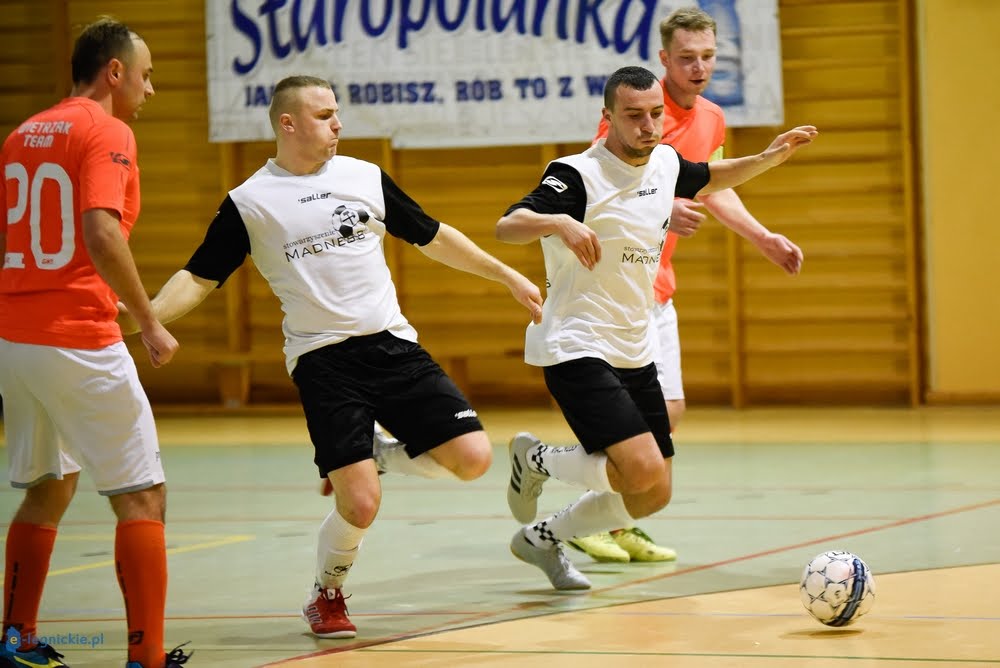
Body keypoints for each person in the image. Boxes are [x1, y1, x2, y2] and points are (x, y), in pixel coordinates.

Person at [118, 75, 544, 638]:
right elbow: (199, 277)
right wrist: (145, 318)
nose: (337, 124)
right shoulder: (249, 202)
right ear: (288, 124)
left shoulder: (364, 177)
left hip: (392, 345)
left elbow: (433, 235)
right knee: (362, 504)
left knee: (473, 459)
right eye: (324, 115)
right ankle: (327, 593)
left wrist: (507, 275)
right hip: (323, 360)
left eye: (337, 113)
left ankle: (380, 454)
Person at [497, 65, 816, 590]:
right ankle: (536, 460)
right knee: (641, 468)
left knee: (653, 492)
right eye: (633, 116)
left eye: (654, 115)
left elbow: (711, 176)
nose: (648, 126)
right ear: (607, 118)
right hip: (577, 341)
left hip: (633, 344)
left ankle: (542, 537)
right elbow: (507, 225)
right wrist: (558, 221)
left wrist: (768, 158)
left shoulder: (665, 161)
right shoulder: (574, 174)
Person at [568, 5, 806, 564]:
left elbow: (712, 187)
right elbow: (605, 185)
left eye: (707, 57)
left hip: (658, 278)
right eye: (686, 58)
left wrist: (762, 236)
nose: (698, 68)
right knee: (636, 414)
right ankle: (585, 511)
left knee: (668, 412)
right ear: (663, 59)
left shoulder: (712, 119)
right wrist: (662, 209)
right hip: (613, 281)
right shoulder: (638, 115)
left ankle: (611, 517)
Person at [0, 17, 191, 668]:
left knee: (50, 484)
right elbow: (100, 231)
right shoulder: (108, 129)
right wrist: (149, 319)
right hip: (77, 339)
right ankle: (149, 658)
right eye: (146, 74)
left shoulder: (22, 133)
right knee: (141, 494)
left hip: (16, 339)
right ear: (115, 72)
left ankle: (16, 638)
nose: (150, 89)